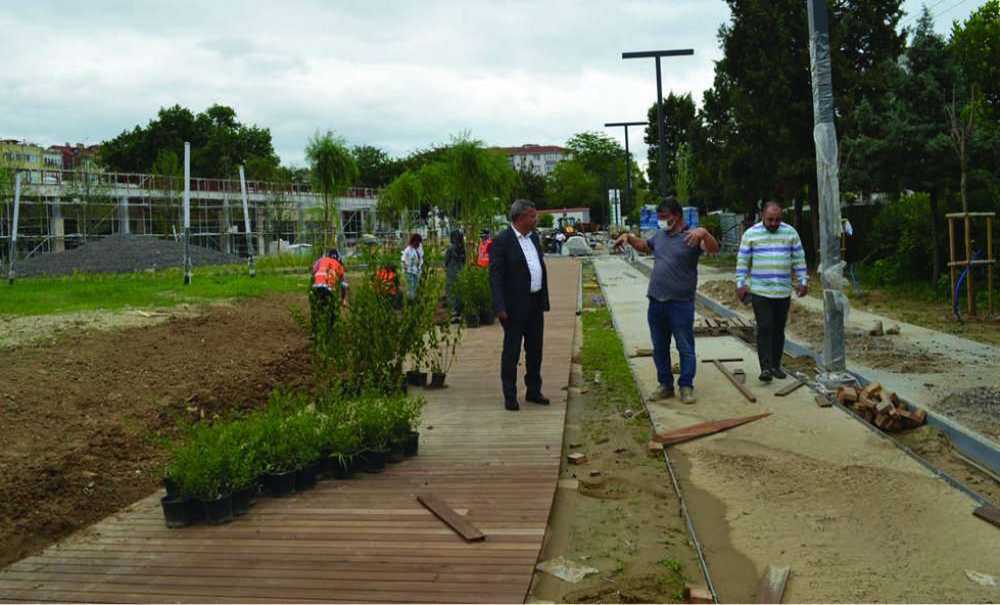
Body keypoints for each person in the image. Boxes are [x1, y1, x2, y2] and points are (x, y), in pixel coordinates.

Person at [613, 198, 720, 404]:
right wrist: (628, 237)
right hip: (656, 302)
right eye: (659, 218)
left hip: (680, 303)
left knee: (685, 347)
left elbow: (714, 250)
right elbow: (645, 246)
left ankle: (686, 386)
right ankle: (665, 385)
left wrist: (705, 232)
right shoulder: (660, 236)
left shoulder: (692, 236)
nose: (661, 221)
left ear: (677, 216)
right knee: (660, 347)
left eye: (665, 217)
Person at [735, 201, 808, 382]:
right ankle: (765, 367)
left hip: (782, 292)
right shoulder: (751, 234)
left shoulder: (790, 232)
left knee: (778, 329)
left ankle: (776, 365)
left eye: (777, 220)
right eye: (770, 220)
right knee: (765, 327)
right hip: (760, 291)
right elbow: (743, 261)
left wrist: (803, 280)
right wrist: (740, 283)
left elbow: (799, 258)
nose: (774, 223)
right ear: (762, 216)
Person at [490, 199, 550, 411]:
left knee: (535, 350)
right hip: (513, 307)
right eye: (532, 216)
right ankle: (510, 394)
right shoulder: (502, 241)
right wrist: (499, 307)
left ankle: (533, 390)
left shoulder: (533, 238)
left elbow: (537, 266)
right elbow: (495, 277)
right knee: (512, 352)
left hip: (534, 303)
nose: (536, 219)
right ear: (520, 217)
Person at [310, 248, 347, 340]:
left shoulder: (320, 260)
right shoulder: (339, 265)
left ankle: (314, 332)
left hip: (316, 287)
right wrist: (343, 299)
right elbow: (344, 285)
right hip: (329, 288)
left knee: (316, 309)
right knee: (332, 309)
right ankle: (331, 332)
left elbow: (313, 272)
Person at [443, 229, 466, 316]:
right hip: (460, 271)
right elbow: (464, 260)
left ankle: (453, 311)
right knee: (459, 291)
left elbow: (446, 261)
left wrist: (445, 267)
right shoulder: (463, 248)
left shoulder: (450, 248)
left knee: (451, 291)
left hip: (451, 272)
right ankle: (459, 310)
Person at [401, 233, 423, 300]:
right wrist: (405, 267)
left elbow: (421, 257)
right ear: (413, 241)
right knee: (411, 286)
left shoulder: (419, 247)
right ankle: (410, 300)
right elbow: (403, 259)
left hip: (417, 270)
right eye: (416, 242)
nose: (418, 244)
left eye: (419, 242)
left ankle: (414, 299)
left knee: (416, 286)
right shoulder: (408, 249)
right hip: (409, 271)